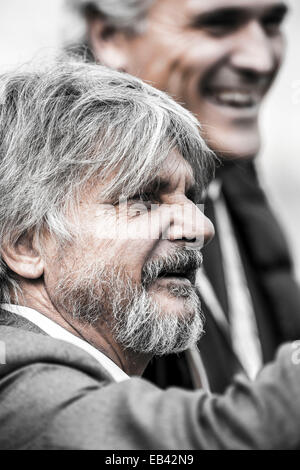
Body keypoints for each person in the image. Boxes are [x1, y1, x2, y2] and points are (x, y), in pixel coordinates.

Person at [1, 61, 300, 450]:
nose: (200, 227)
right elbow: (215, 439)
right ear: (25, 245)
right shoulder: (15, 377)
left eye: (193, 198)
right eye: (143, 198)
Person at [68, 0, 300, 392]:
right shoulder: (41, 211)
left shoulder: (232, 175)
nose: (260, 60)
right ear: (111, 36)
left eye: (272, 23)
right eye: (218, 25)